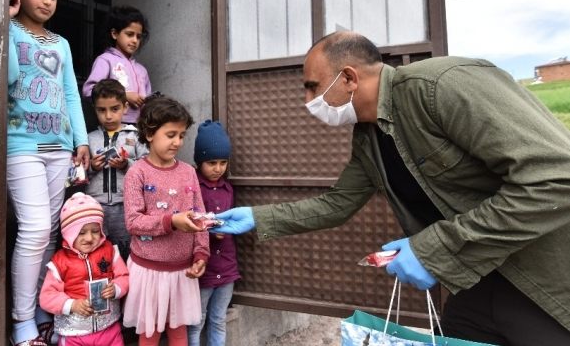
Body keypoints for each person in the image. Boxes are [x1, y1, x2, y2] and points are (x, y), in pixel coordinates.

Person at [212, 31, 570, 346]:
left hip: (541, 281)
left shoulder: (441, 85)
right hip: (472, 280)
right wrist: (256, 216)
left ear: (348, 77)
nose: (307, 100)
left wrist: (435, 248)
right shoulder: (368, 137)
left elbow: (555, 177)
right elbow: (338, 203)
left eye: (312, 86)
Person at [7, 0, 90, 346]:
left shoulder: (62, 44)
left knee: (53, 232)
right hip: (21, 145)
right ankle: (22, 320)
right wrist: (5, 21)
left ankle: (44, 307)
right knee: (36, 228)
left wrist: (82, 141)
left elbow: (72, 94)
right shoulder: (9, 31)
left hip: (59, 148)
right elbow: (7, 78)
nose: (47, 1)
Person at [122, 95, 210, 346]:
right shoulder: (137, 173)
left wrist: (201, 254)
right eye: (170, 134)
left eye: (181, 135)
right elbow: (133, 221)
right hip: (148, 270)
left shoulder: (188, 172)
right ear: (150, 133)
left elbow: (200, 217)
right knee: (148, 333)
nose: (177, 142)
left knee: (178, 331)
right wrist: (171, 221)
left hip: (182, 271)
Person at [39, 192, 129, 346]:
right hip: (75, 334)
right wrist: (71, 305)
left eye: (95, 231)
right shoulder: (60, 262)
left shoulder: (109, 251)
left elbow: (124, 276)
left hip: (109, 328)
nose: (89, 238)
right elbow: (47, 297)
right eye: (81, 232)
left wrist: (116, 289)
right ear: (68, 233)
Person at [187, 121, 240, 346]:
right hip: (203, 267)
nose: (217, 168)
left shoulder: (228, 189)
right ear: (199, 162)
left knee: (218, 319)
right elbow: (187, 222)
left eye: (222, 163)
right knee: (196, 320)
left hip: (227, 266)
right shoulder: (192, 187)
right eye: (211, 163)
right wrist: (209, 231)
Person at [87, 78, 149, 261]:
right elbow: (75, 171)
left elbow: (148, 167)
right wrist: (91, 166)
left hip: (126, 205)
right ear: (95, 110)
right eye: (101, 110)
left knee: (127, 252)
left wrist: (126, 164)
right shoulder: (89, 138)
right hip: (95, 206)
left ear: (125, 107)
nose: (108, 116)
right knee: (98, 254)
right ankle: (104, 288)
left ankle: (128, 288)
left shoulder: (135, 136)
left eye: (114, 109)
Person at [82, 6, 151, 124]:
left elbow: (149, 103)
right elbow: (89, 90)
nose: (135, 40)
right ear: (114, 34)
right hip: (113, 126)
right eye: (130, 34)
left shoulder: (142, 70)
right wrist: (124, 95)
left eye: (138, 36)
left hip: (140, 129)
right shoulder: (105, 60)